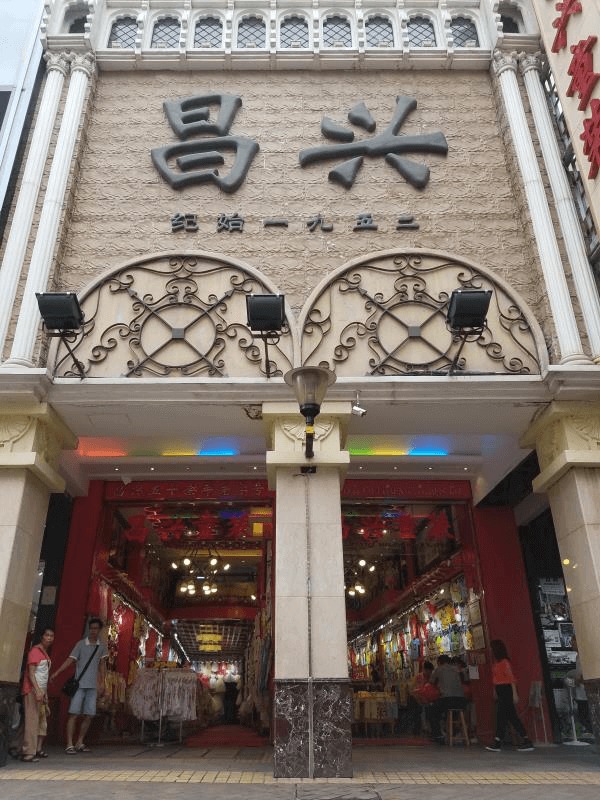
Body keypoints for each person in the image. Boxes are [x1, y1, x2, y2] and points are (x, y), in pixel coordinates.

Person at [50, 617, 108, 754]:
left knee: (89, 715)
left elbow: (102, 665)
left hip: (93, 686)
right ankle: (69, 743)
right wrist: (57, 672)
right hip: (79, 685)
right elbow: (70, 660)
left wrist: (103, 683)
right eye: (91, 628)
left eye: (96, 628)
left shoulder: (102, 647)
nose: (93, 631)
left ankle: (79, 741)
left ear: (100, 630)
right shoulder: (81, 644)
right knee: (74, 713)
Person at [485, 639, 534, 752]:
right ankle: (525, 739)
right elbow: (495, 679)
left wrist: (514, 694)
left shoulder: (505, 662)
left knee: (502, 716)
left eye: (492, 648)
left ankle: (498, 741)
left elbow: (511, 679)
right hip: (500, 690)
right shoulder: (496, 663)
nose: (490, 650)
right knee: (510, 717)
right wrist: (495, 691)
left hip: (506, 690)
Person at [21, 628, 54, 762]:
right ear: (41, 637)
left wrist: (44, 693)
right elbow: (31, 673)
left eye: (51, 636)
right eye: (47, 635)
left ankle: (17, 746)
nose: (49, 638)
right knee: (32, 721)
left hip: (40, 690)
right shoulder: (35, 651)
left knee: (31, 720)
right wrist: (38, 690)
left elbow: (42, 676)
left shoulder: (43, 652)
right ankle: (29, 752)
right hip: (32, 690)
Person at [427, 654, 466, 743]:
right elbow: (464, 680)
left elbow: (431, 682)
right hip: (461, 701)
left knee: (432, 711)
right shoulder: (457, 669)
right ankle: (454, 732)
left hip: (447, 700)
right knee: (451, 712)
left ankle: (438, 736)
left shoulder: (438, 669)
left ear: (439, 662)